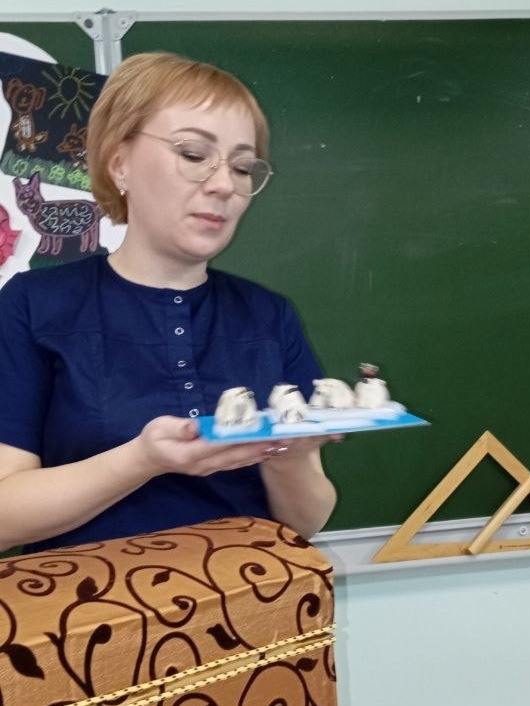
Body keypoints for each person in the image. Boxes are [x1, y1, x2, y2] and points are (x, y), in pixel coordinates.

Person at [0, 52, 337, 554]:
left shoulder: (269, 315)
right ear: (119, 164)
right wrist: (142, 460)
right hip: (94, 599)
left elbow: (305, 522)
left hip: (248, 592)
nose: (224, 185)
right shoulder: (32, 305)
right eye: (194, 154)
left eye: (243, 167)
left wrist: (289, 458)